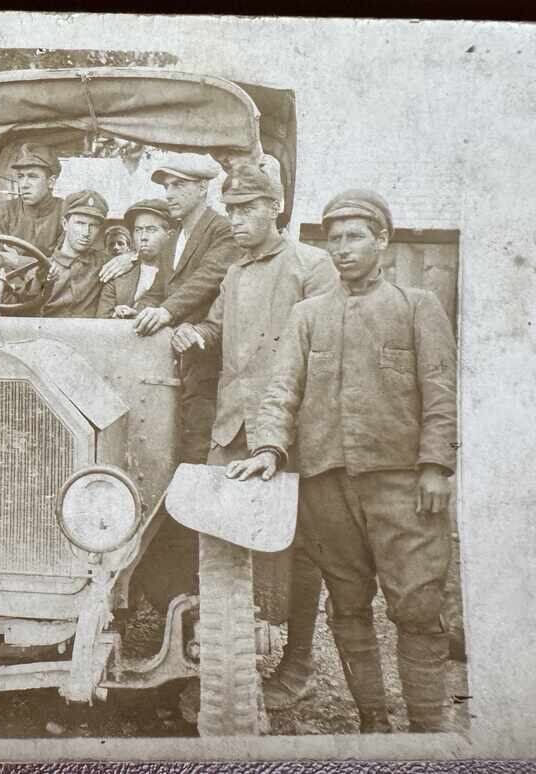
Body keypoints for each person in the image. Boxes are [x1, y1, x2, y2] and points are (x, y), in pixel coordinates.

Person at [229, 189, 458, 733]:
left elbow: (441, 391)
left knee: (418, 608)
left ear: (382, 240)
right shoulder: (308, 315)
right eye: (334, 239)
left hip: (403, 485)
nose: (343, 248)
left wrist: (434, 466)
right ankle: (373, 722)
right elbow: (282, 390)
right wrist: (268, 448)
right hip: (327, 486)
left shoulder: (416, 305)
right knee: (348, 606)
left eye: (355, 237)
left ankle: (428, 730)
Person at [172, 164, 337, 709]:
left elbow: (327, 354)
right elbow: (218, 330)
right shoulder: (235, 272)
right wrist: (194, 333)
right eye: (232, 211)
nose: (237, 221)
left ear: (276, 208)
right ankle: (224, 669)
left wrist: (290, 430)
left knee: (301, 544)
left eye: (247, 210)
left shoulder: (312, 267)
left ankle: (298, 663)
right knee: (220, 540)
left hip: (292, 429)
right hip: (232, 425)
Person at [132, 153, 239, 464]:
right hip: (173, 357)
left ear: (203, 188)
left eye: (179, 185)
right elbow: (157, 291)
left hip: (208, 354)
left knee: (199, 440)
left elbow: (208, 278)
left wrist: (165, 312)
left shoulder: (223, 230)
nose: (169, 194)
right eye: (167, 186)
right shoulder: (174, 237)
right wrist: (140, 309)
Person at [96, 198, 172, 318]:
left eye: (151, 230)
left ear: (169, 235)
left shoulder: (179, 272)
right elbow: (102, 319)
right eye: (138, 230)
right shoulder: (119, 271)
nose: (143, 237)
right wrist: (116, 315)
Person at [38, 190, 108, 318]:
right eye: (80, 223)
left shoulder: (104, 262)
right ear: (65, 224)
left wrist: (127, 258)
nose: (86, 233)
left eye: (93, 226)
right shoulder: (43, 266)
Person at [0, 143, 65, 258]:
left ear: (51, 182)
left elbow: (64, 262)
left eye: (32, 176)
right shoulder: (5, 212)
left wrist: (20, 261)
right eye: (20, 177)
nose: (24, 185)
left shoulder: (64, 212)